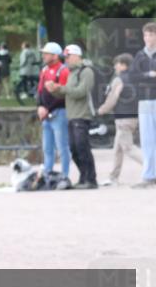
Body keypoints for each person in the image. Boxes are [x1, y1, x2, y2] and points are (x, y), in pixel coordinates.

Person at [46, 44, 97, 189]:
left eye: (68, 57)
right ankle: (83, 177)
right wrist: (54, 90)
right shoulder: (71, 72)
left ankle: (91, 179)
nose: (66, 60)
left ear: (76, 56)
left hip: (82, 115)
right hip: (72, 115)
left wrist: (61, 88)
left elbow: (80, 92)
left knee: (82, 147)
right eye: (65, 57)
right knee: (74, 149)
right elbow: (67, 93)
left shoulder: (86, 71)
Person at [97, 53, 143, 186]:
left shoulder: (119, 79)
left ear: (123, 65)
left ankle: (151, 169)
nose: (114, 66)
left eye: (116, 63)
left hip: (123, 118)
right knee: (117, 148)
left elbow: (112, 99)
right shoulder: (135, 79)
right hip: (133, 116)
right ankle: (113, 178)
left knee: (128, 148)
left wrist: (101, 110)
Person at [36, 42, 72, 188]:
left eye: (46, 54)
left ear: (55, 56)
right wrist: (39, 106)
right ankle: (48, 176)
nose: (43, 56)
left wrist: (47, 109)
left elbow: (62, 95)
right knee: (47, 148)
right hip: (46, 113)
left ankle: (64, 176)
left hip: (59, 112)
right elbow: (39, 91)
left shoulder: (63, 71)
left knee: (62, 147)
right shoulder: (44, 70)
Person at [129, 22, 156, 188]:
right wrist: (150, 75)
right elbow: (133, 77)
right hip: (145, 100)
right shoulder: (139, 55)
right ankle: (149, 175)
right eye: (146, 35)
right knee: (147, 139)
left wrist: (144, 77)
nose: (148, 38)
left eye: (151, 35)